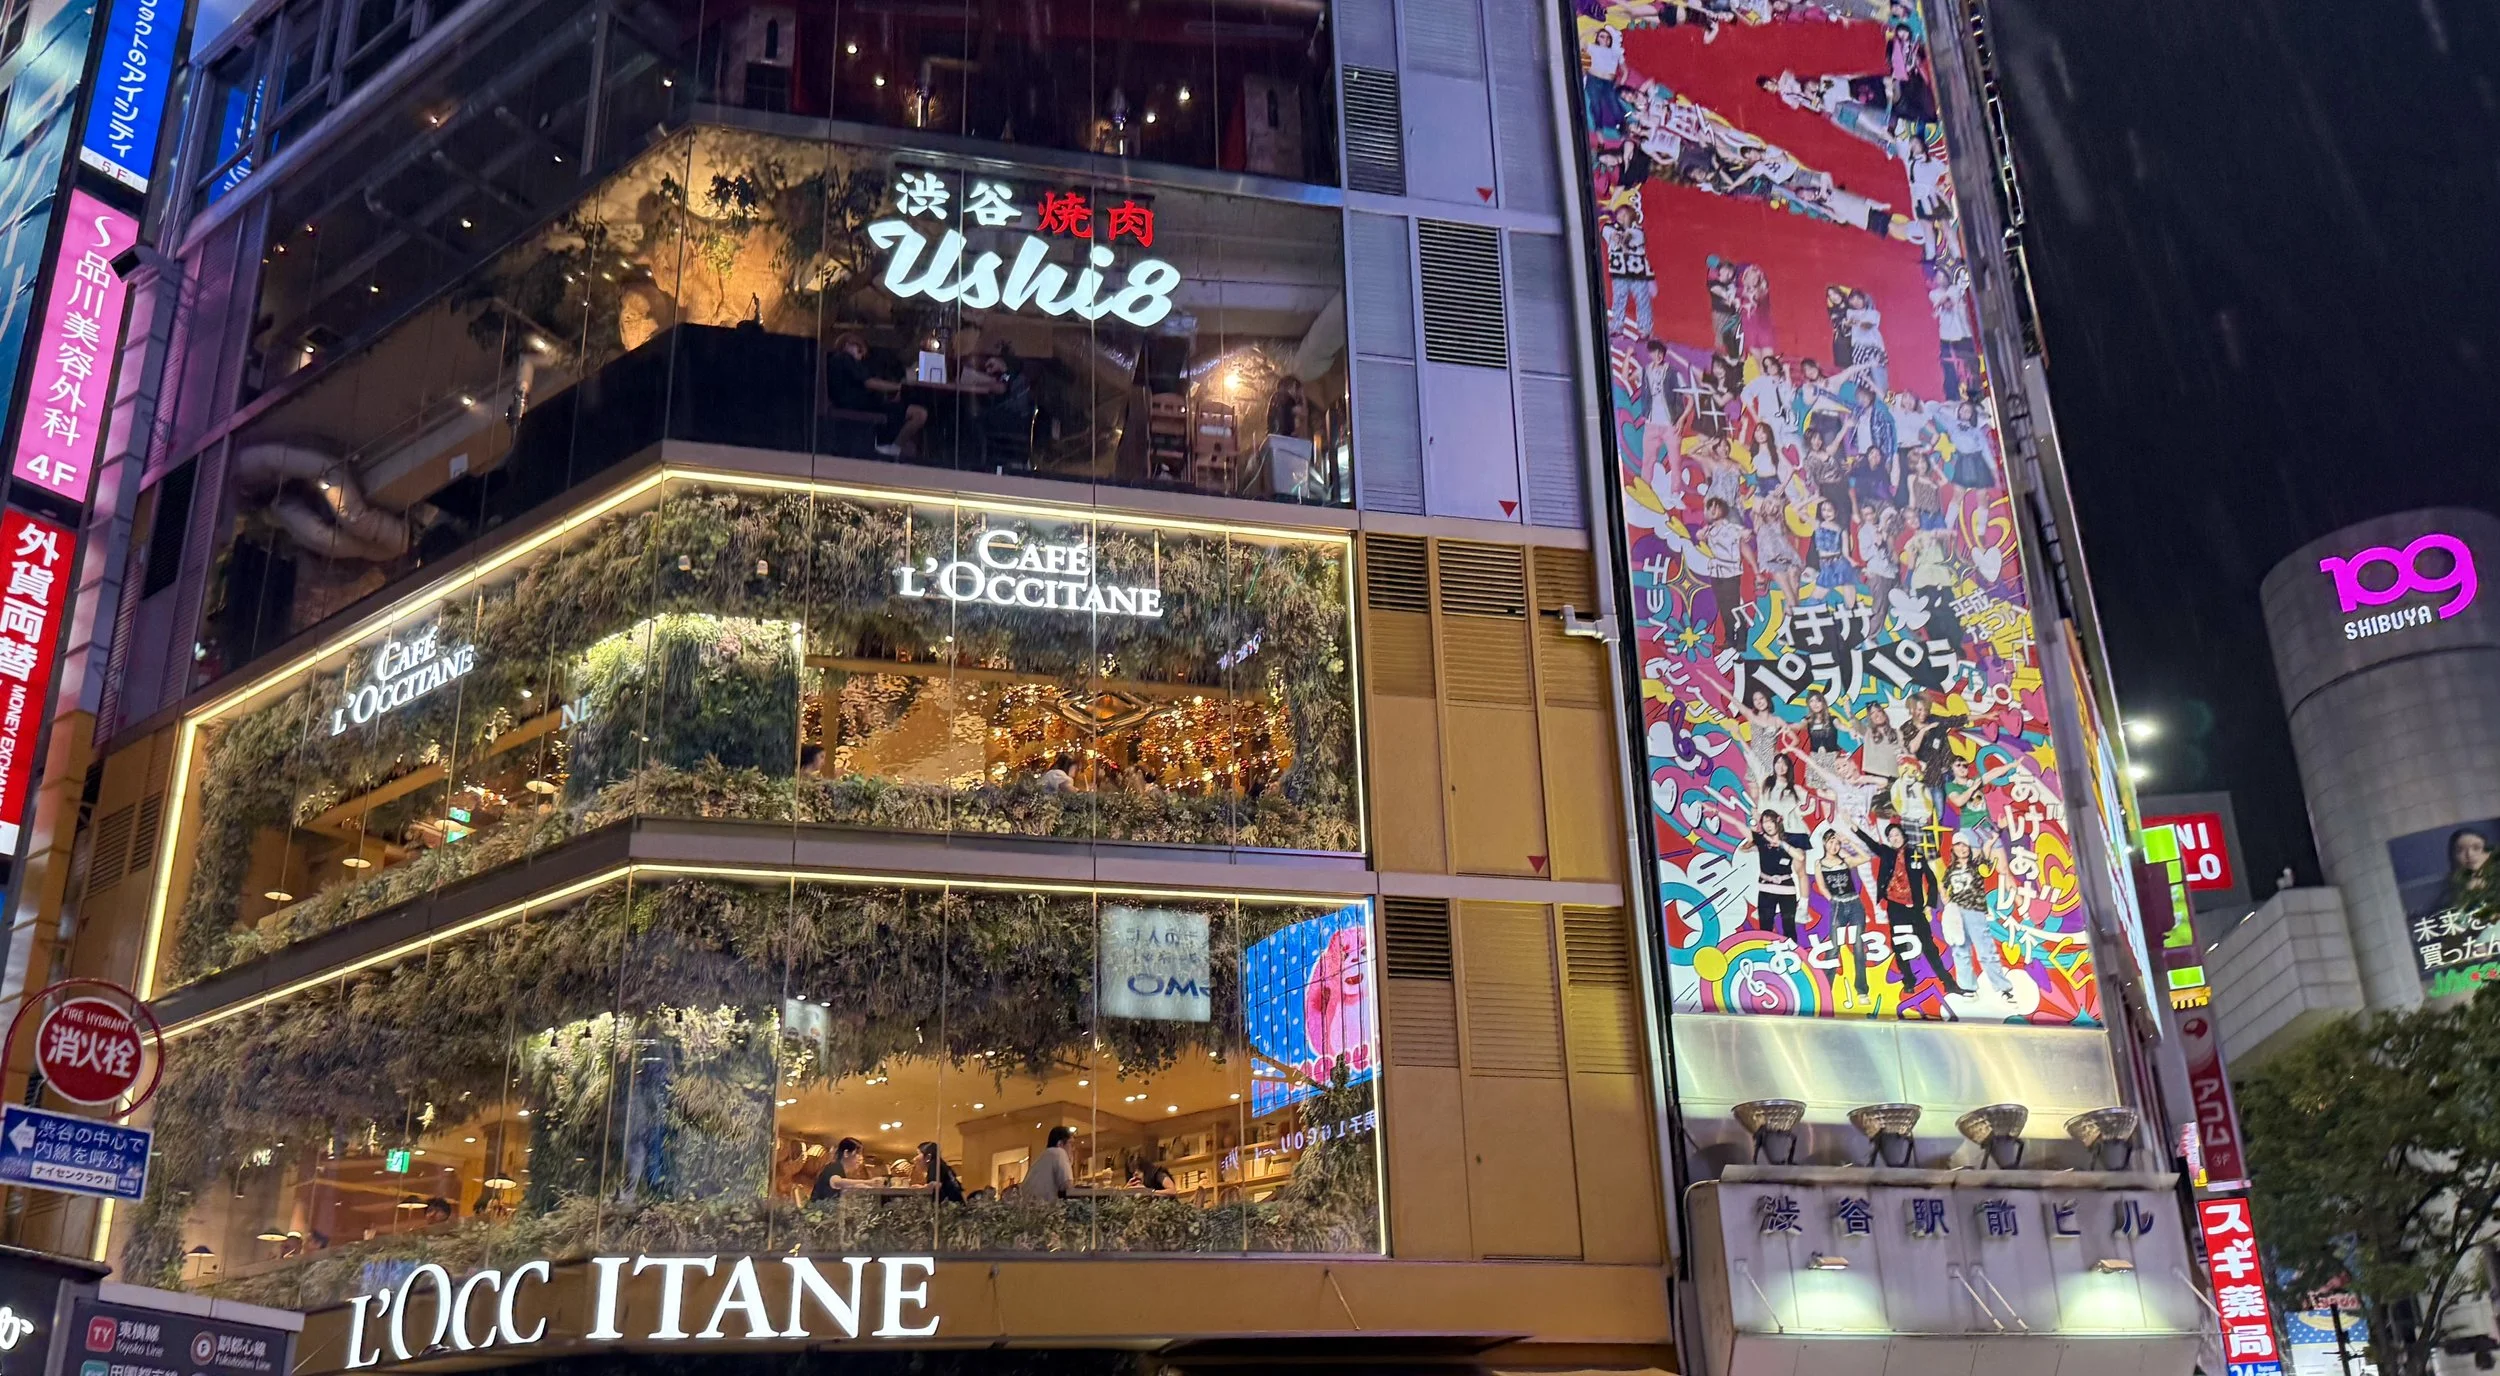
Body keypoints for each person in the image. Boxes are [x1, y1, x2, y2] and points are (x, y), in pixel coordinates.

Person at [1856, 819, 1961, 995]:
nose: (1894, 838)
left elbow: (1932, 880)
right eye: (1890, 836)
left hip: (1915, 908)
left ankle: (1948, 982)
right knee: (1899, 944)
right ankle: (1909, 981)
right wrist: (1854, 828)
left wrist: (1929, 904)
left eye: (1897, 834)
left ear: (1903, 836)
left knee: (1928, 945)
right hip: (1896, 907)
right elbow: (1871, 843)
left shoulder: (1916, 854)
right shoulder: (1887, 853)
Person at [827, 333, 928, 457]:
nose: (861, 356)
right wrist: (900, 387)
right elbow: (869, 382)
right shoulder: (844, 359)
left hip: (860, 403)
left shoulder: (838, 361)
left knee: (916, 412)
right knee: (919, 413)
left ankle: (893, 446)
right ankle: (893, 447)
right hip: (859, 405)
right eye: (859, 351)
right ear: (848, 344)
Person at [1940, 831, 2014, 995]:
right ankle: (1968, 987)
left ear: (1969, 847)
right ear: (1953, 849)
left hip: (1975, 911)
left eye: (1965, 845)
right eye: (1958, 845)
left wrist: (1992, 840)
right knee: (1960, 950)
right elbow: (1943, 884)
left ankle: (2003, 988)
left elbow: (1985, 852)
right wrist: (1945, 897)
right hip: (1956, 913)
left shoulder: (1976, 864)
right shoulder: (1951, 869)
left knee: (1986, 950)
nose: (1962, 848)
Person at [1813, 829, 1872, 1000]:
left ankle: (1862, 990)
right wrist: (1832, 899)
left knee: (1858, 946)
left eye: (1837, 843)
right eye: (1831, 842)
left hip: (1854, 905)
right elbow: (1821, 885)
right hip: (1838, 906)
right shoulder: (1819, 864)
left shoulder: (1845, 861)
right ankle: (1826, 990)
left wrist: (1849, 842)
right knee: (1834, 947)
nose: (1834, 846)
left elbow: (1866, 857)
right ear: (1825, 843)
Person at [1743, 809, 1810, 941]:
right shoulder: (1762, 840)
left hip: (1787, 888)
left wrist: (1782, 844)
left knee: (1789, 927)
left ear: (1778, 821)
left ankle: (1792, 950)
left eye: (1770, 821)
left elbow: (1801, 861)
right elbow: (1744, 845)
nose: (1768, 825)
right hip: (1766, 888)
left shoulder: (1792, 839)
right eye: (1765, 822)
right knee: (1765, 927)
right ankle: (1765, 951)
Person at [1022, 1126, 1076, 1200]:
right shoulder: (1059, 1152)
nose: (1073, 1149)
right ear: (1060, 1144)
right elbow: (1067, 1186)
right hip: (1044, 1205)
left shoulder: (1042, 1157)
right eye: (1071, 1144)